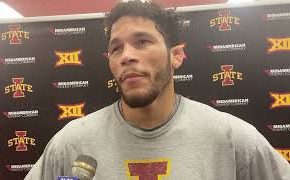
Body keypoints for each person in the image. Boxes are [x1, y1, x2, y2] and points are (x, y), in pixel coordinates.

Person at [25, 1, 290, 179]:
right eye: (116, 48)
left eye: (142, 42)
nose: (126, 56)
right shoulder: (72, 142)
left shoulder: (234, 140)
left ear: (176, 56)